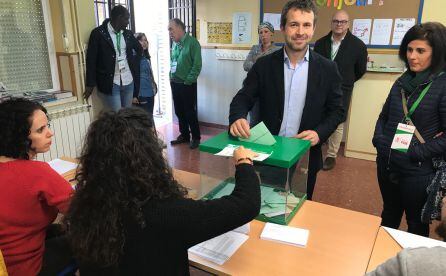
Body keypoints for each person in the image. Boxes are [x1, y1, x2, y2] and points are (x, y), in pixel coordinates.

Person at [64, 107, 260, 275]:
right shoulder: (167, 214)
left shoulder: (85, 203)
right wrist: (244, 162)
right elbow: (246, 203)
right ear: (148, 157)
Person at [229, 0, 344, 200]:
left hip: (306, 157)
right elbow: (243, 97)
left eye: (306, 25)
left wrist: (319, 133)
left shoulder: (328, 69)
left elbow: (337, 111)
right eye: (294, 24)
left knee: (299, 209)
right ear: (283, 27)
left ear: (314, 28)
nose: (300, 31)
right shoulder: (263, 65)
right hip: (268, 154)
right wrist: (238, 117)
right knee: (267, 205)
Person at [372, 22, 446, 237]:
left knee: (415, 224)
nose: (413, 56)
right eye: (410, 50)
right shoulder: (402, 81)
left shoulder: (442, 85)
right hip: (387, 163)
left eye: (421, 51)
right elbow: (384, 115)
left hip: (417, 170)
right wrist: (379, 140)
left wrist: (415, 153)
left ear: (437, 52)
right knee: (389, 215)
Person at [0, 98, 73, 275]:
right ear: (20, 137)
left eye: (48, 126)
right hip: (26, 267)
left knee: (58, 230)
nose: (50, 133)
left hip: (4, 263)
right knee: (90, 244)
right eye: (41, 130)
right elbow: (82, 209)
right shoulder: (37, 172)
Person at [314, 10, 367, 171]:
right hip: (321, 88)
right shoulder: (320, 43)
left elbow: (360, 70)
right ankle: (316, 148)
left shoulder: (358, 45)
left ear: (348, 24)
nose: (339, 24)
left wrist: (346, 82)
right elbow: (315, 66)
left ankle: (331, 155)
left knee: (338, 121)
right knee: (319, 117)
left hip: (343, 89)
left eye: (343, 22)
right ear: (331, 23)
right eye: (336, 21)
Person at [366, 197, 446, 276]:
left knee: (414, 220)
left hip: (410, 261)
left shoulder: (414, 261)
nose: (443, 199)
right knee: (391, 211)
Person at [84, 5, 142, 112]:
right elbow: (91, 60)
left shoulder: (127, 34)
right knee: (117, 118)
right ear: (119, 18)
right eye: (126, 19)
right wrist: (90, 83)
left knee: (127, 116)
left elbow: (139, 49)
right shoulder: (98, 34)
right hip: (110, 83)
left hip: (128, 81)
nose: (128, 22)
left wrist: (133, 63)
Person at [168, 18, 203, 149]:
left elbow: (197, 65)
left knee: (189, 111)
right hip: (175, 82)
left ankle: (196, 137)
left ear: (180, 28)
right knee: (178, 110)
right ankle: (184, 135)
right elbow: (173, 61)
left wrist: (188, 81)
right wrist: (170, 76)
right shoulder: (175, 44)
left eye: (171, 29)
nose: (169, 32)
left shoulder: (193, 43)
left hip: (187, 84)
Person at [243, 21, 281, 126]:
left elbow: (274, 70)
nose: (263, 35)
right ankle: (253, 142)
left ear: (272, 33)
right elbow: (246, 65)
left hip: (269, 90)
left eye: (266, 31)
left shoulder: (278, 50)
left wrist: (256, 62)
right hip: (253, 89)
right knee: (254, 120)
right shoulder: (255, 48)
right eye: (260, 32)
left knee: (268, 120)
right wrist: (261, 64)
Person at [133, 32, 158, 115]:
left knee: (149, 119)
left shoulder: (146, 57)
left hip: (150, 93)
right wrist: (134, 95)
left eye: (145, 40)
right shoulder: (134, 58)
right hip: (141, 94)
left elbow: (149, 75)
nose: (144, 43)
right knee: (145, 121)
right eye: (140, 40)